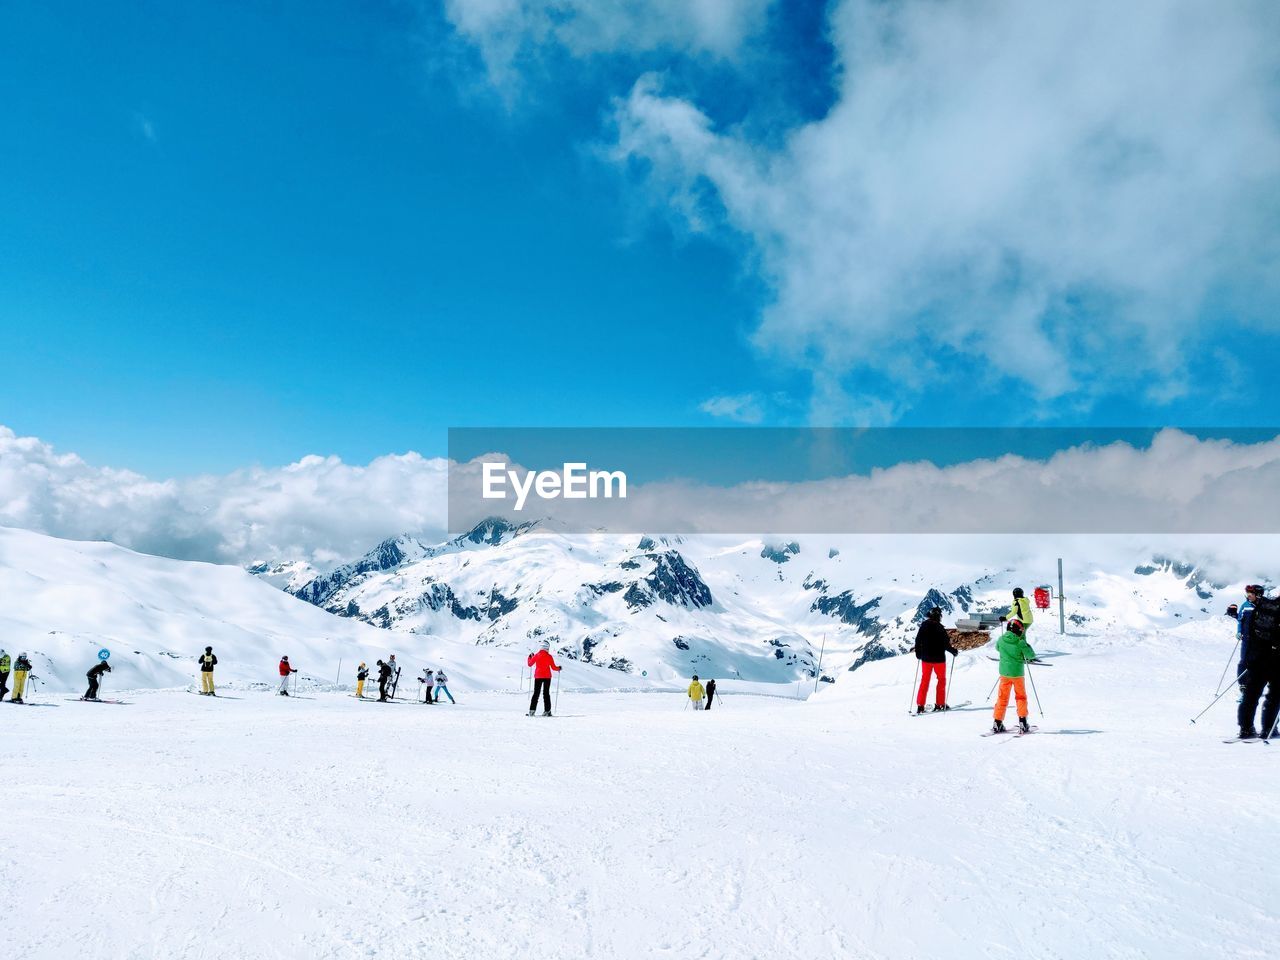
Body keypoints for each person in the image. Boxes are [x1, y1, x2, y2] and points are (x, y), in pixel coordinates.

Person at [1237, 591, 1279, 740]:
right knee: (1274, 696)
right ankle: (1269, 729)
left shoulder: (1261, 607)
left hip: (1256, 657)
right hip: (1276, 659)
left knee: (1251, 694)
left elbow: (1249, 631)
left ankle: (1245, 728)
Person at [991, 619, 1036, 734]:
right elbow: (1031, 655)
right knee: (1020, 697)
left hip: (1004, 674)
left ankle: (997, 722)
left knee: (1002, 698)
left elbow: (997, 648)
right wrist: (1027, 646)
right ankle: (1023, 722)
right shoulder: (1020, 642)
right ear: (1018, 630)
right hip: (1017, 674)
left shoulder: (1001, 640)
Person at [914, 606, 959, 713]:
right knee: (941, 681)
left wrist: (918, 653)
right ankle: (940, 704)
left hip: (926, 659)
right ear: (939, 616)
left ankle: (920, 705)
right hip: (939, 660)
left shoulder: (924, 626)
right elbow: (946, 644)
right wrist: (953, 651)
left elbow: (918, 640)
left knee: (924, 681)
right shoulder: (940, 628)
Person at [1228, 585, 1262, 698]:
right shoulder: (1245, 605)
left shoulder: (1264, 606)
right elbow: (1240, 620)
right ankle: (1243, 686)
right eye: (1247, 593)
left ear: (1258, 594)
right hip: (1246, 639)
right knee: (1244, 662)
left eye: (1251, 593)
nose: (1248, 595)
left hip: (1260, 641)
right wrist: (1239, 631)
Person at [526, 639, 561, 716]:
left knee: (536, 693)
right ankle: (547, 711)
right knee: (546, 694)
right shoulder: (549, 656)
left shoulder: (536, 655)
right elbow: (554, 667)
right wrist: (559, 668)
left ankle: (532, 711)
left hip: (538, 676)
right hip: (547, 677)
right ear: (547, 648)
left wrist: (529, 657)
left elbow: (530, 664)